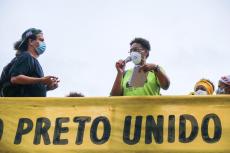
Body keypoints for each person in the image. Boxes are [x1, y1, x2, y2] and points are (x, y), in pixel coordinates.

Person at [0, 28, 59, 97]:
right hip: (19, 106)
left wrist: (47, 88)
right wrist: (42, 80)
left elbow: (29, 88)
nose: (43, 43)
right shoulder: (26, 57)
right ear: (31, 41)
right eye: (41, 40)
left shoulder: (32, 60)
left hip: (28, 106)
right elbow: (15, 78)